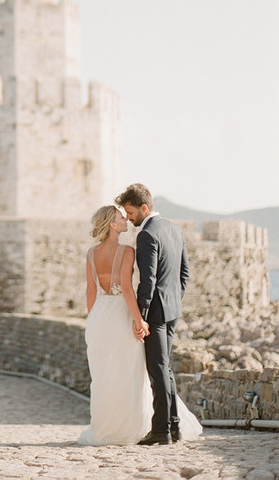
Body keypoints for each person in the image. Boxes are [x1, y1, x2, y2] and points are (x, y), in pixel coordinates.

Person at [77, 203, 201, 447]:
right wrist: (139, 319)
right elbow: (125, 287)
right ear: (113, 225)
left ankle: (104, 428)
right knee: (131, 371)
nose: (126, 219)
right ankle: (134, 426)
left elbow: (91, 289)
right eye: (121, 217)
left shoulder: (92, 253)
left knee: (104, 375)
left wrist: (93, 319)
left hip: (100, 315)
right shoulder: (126, 251)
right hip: (121, 313)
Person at [115, 183, 197, 445]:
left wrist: (142, 317)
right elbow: (185, 273)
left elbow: (147, 281)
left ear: (144, 207)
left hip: (156, 314)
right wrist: (174, 299)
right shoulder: (174, 229)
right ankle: (173, 426)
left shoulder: (147, 235)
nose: (128, 218)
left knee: (157, 369)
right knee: (165, 369)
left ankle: (161, 430)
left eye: (130, 212)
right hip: (172, 309)